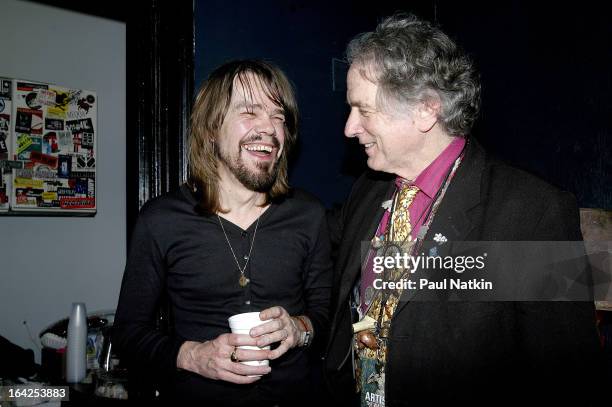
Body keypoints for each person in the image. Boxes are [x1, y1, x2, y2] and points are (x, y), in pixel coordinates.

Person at [324, 14, 602, 405]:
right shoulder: (367, 191)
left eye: (364, 110)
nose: (350, 128)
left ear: (425, 109)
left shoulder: (533, 212)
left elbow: (569, 374)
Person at [113, 60, 332, 406]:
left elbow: (325, 317)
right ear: (212, 128)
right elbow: (128, 333)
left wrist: (299, 329)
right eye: (250, 112)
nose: (270, 130)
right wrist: (193, 356)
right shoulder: (161, 219)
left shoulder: (309, 215)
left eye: (278, 117)